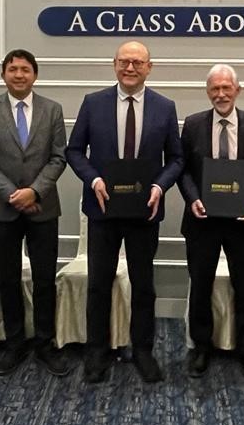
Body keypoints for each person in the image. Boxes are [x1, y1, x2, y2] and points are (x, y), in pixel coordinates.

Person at [67, 40, 184, 384]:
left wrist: (160, 186)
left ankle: (143, 351)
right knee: (98, 285)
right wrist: (94, 179)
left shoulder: (165, 107)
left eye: (137, 62)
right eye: (124, 61)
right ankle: (97, 352)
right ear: (114, 64)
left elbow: (176, 159)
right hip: (103, 208)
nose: (130, 68)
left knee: (144, 285)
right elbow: (75, 151)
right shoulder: (93, 103)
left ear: (150, 67)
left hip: (144, 211)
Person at [0, 49, 69, 376]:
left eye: (25, 69)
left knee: (44, 279)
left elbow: (58, 157)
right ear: (3, 74)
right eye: (12, 69)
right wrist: (12, 194)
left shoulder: (52, 110)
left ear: (34, 75)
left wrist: (34, 191)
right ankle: (14, 343)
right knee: (9, 280)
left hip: (43, 208)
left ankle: (45, 343)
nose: (19, 74)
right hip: (2, 209)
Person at [178, 64, 244, 382]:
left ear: (237, 90)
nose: (220, 94)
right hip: (202, 220)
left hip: (242, 222)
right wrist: (193, 198)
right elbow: (183, 170)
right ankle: (201, 348)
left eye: (226, 88)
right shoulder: (193, 124)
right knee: (200, 285)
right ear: (208, 92)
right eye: (215, 89)